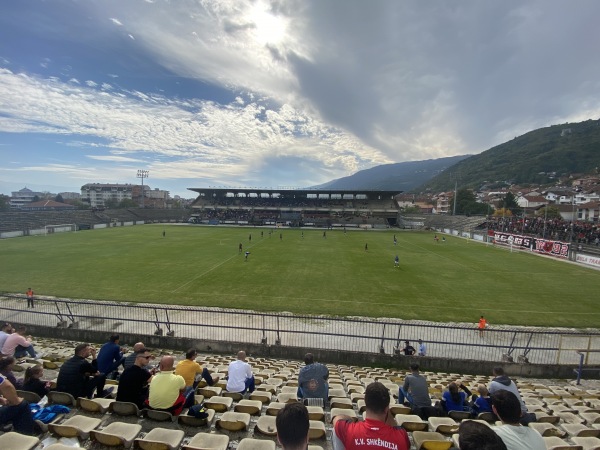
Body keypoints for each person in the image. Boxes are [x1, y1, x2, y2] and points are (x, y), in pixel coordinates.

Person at [332, 381, 410, 450]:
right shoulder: (401, 435)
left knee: (335, 431)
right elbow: (395, 428)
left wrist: (352, 420)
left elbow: (337, 419)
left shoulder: (349, 430)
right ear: (386, 409)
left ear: (366, 403)